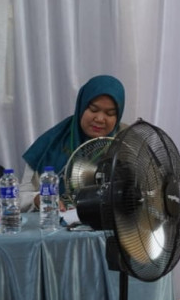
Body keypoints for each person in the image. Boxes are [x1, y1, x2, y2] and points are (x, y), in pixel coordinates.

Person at [19, 75, 125, 211]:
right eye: (93, 109)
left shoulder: (126, 144)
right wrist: (39, 199)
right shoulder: (52, 142)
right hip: (54, 226)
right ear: (81, 106)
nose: (99, 119)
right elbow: (21, 197)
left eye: (109, 113)